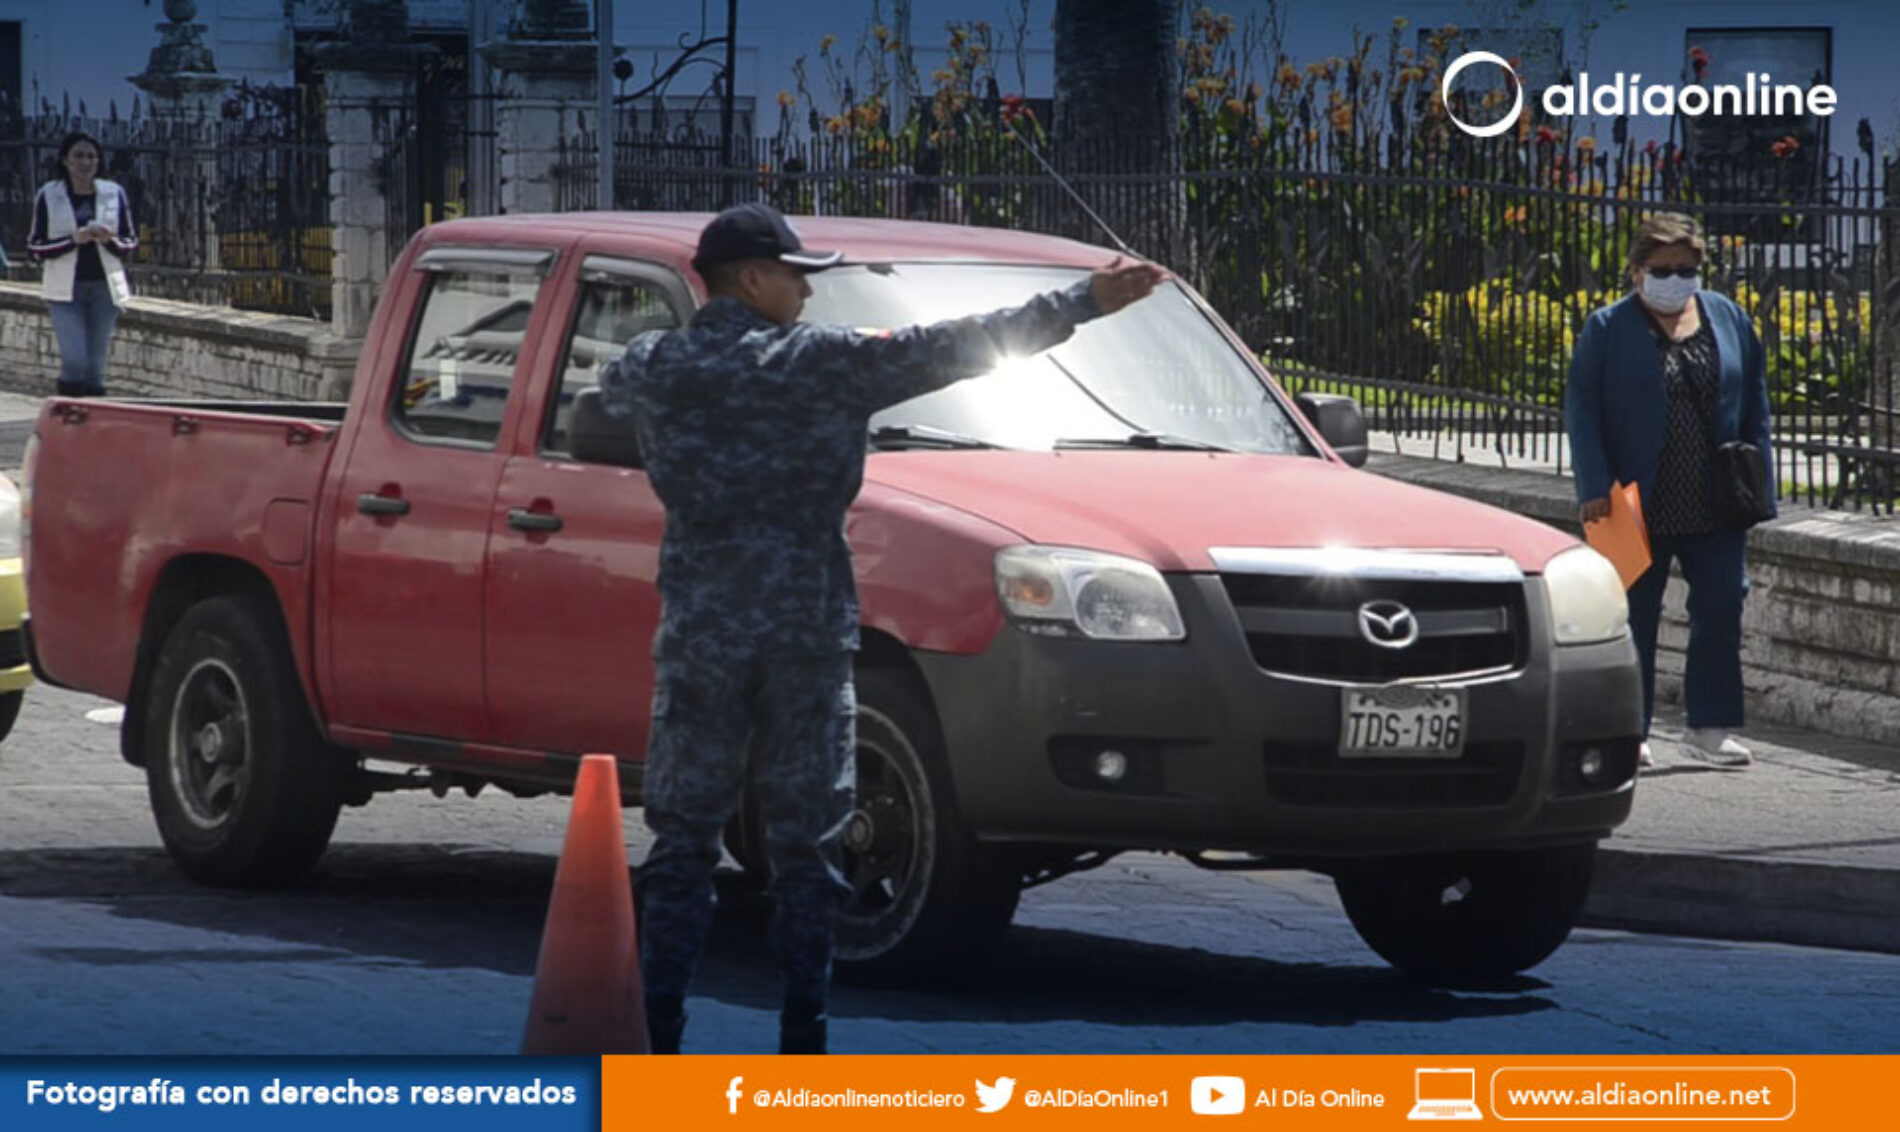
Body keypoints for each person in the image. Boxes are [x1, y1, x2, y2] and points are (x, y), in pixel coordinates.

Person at [598, 203, 1164, 1054]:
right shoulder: (826, 365)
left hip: (701, 635)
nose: (804, 291)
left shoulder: (654, 366)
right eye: (795, 275)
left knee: (681, 843)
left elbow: (601, 397)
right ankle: (802, 1041)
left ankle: (660, 1032)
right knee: (808, 849)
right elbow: (960, 343)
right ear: (752, 279)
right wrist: (1083, 301)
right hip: (806, 636)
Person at [1565, 212, 1772, 771]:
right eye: (1663, 269)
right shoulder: (1608, 328)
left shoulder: (1726, 318)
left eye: (1688, 268)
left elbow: (1754, 402)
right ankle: (1630, 728)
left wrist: (1761, 485)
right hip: (1635, 500)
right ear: (1637, 272)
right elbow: (1582, 409)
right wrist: (1592, 484)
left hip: (1715, 497)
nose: (1676, 278)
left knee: (1723, 604)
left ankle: (1709, 727)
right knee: (1634, 613)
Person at [26, 131, 139, 397]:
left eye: (91, 156)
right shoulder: (49, 195)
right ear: (65, 160)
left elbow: (130, 242)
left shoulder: (114, 193)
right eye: (78, 156)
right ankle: (67, 411)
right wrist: (72, 241)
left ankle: (90, 426)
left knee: (95, 366)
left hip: (104, 287)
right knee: (75, 360)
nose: (85, 162)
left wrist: (108, 240)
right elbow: (35, 247)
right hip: (66, 290)